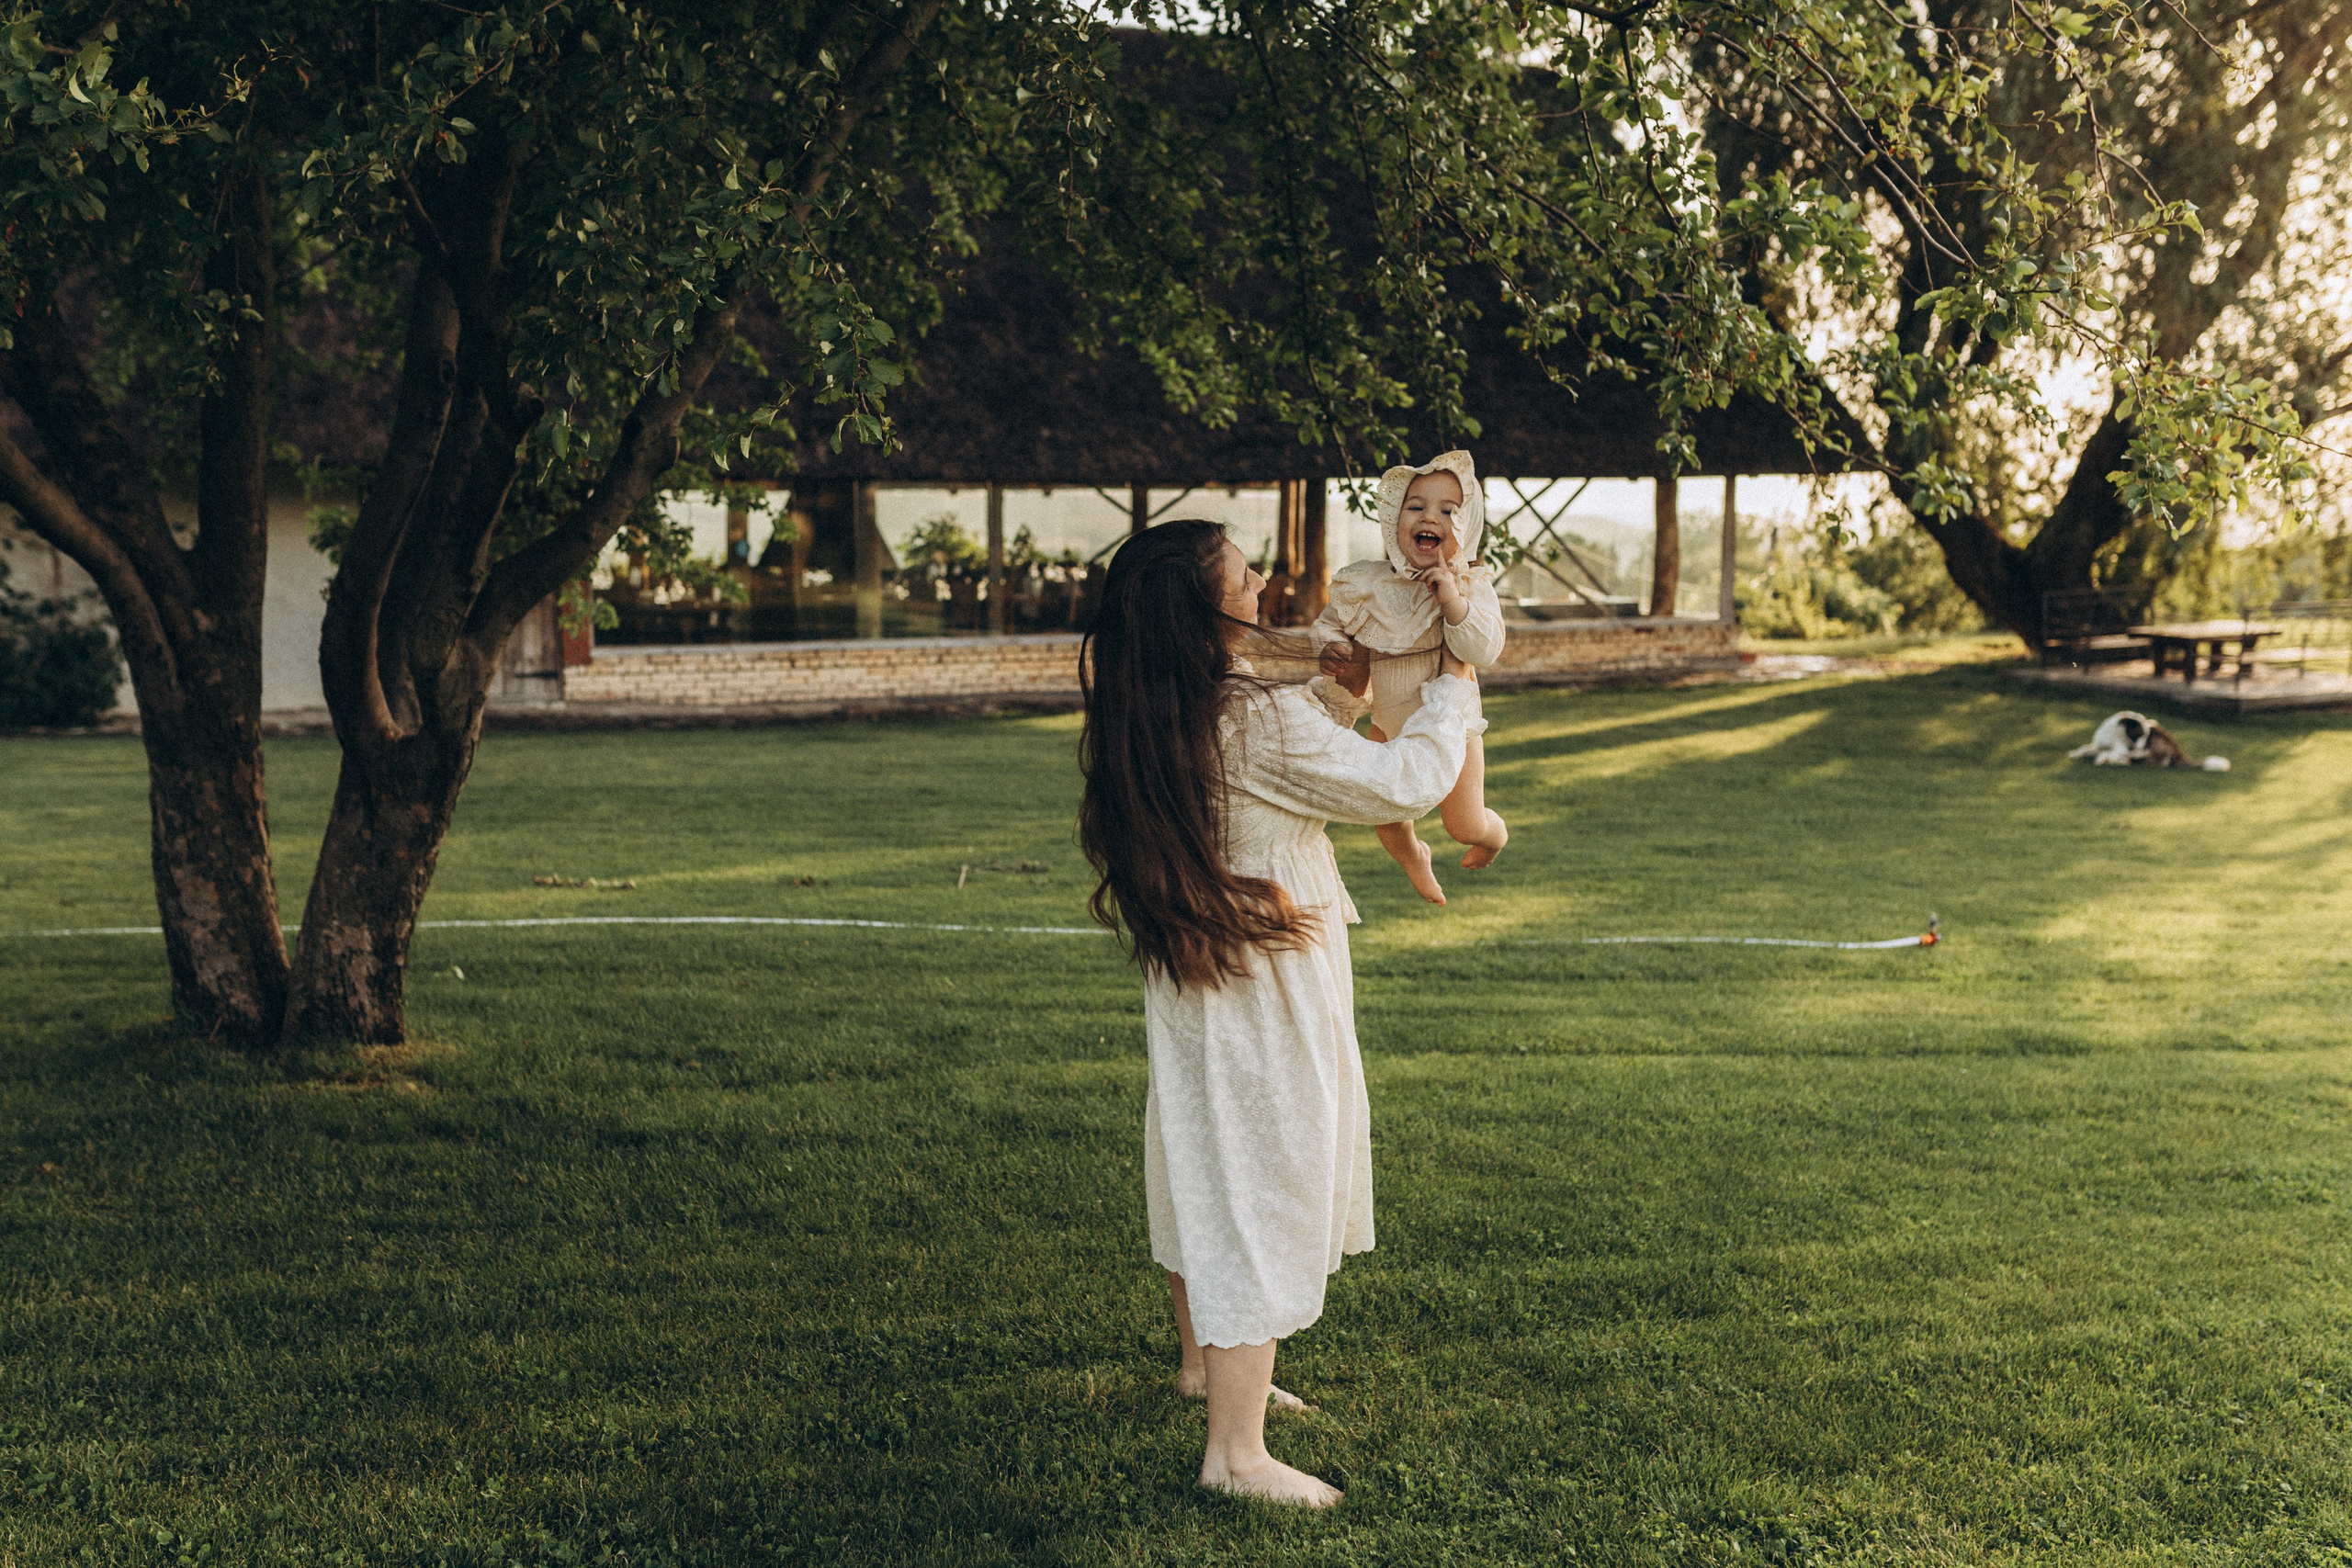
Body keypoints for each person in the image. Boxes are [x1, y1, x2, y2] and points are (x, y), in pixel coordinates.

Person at [1078, 520, 1481, 1507]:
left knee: (1201, 1159)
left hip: (1201, 969)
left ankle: (1197, 1366)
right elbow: (1402, 783)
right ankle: (1236, 1455)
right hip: (1261, 976)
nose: (1261, 583)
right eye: (1243, 573)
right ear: (1203, 610)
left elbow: (1282, 761)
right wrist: (1456, 690)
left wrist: (1333, 693)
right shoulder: (1247, 716)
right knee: (1261, 1175)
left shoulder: (1174, 704)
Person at [1311, 450, 1509, 906]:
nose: (1429, 517)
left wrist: (1452, 602)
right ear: (1394, 521)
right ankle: (1414, 857)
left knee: (1463, 824)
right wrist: (1331, 646)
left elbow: (1484, 650)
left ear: (1468, 527)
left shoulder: (1471, 586)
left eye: (1448, 511)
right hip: (1390, 721)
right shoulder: (1369, 584)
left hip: (1453, 728)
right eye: (1415, 507)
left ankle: (1491, 836)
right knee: (1386, 811)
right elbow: (1329, 623)